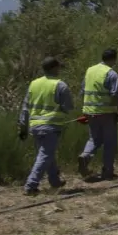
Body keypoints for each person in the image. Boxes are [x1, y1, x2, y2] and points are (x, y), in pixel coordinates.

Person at [18, 56, 74, 195]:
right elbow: (69, 107)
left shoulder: (34, 84)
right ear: (54, 68)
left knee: (47, 154)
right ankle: (31, 185)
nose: (60, 69)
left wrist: (23, 127)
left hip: (35, 126)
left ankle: (55, 181)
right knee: (45, 155)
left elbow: (26, 107)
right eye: (59, 67)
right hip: (50, 126)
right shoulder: (60, 85)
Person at [78, 48, 118, 180]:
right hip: (106, 113)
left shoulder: (90, 70)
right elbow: (116, 95)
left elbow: (82, 90)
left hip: (89, 112)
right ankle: (108, 171)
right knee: (109, 142)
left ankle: (85, 156)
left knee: (94, 139)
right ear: (114, 59)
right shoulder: (111, 74)